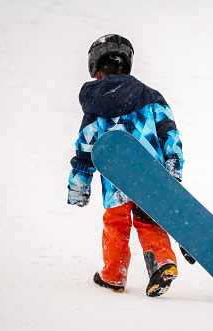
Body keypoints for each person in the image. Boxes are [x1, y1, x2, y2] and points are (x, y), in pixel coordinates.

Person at [67, 34, 188, 297]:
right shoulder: (150, 96)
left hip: (116, 183)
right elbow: (169, 131)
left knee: (116, 226)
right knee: (149, 221)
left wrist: (78, 187)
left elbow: (85, 149)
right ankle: (162, 263)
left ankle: (113, 275)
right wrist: (173, 164)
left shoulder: (94, 108)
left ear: (96, 72)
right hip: (151, 178)